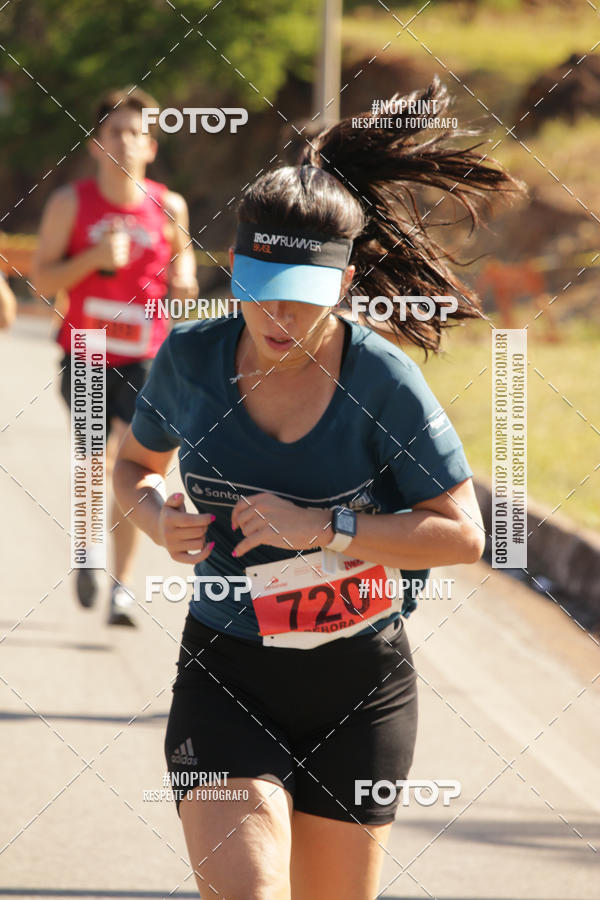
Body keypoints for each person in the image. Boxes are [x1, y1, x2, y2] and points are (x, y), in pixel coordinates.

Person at [113, 79, 520, 898]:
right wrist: (156, 518)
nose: (276, 318)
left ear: (342, 287)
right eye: (258, 291)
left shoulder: (383, 381)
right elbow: (133, 465)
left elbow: (463, 535)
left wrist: (326, 527)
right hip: (228, 671)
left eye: (301, 301)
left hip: (360, 685)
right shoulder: (191, 359)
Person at [31, 86, 198, 626]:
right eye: (117, 133)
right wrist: (94, 258)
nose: (127, 143)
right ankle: (88, 552)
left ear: (151, 147)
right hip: (87, 348)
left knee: (134, 463)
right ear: (97, 145)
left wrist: (186, 281)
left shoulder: (169, 206)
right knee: (96, 462)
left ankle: (121, 587)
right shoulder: (70, 204)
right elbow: (43, 280)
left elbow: (186, 274)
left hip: (146, 356)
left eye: (138, 134)